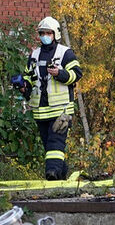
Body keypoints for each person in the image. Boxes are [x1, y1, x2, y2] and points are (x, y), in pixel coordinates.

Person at [20, 17, 83, 181]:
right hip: (41, 112)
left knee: (55, 143)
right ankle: (61, 174)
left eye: (48, 33)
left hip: (61, 110)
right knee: (50, 146)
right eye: (42, 33)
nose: (45, 36)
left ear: (55, 34)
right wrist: (23, 85)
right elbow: (29, 77)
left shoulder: (65, 53)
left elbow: (77, 74)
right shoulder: (34, 55)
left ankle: (52, 175)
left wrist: (59, 74)